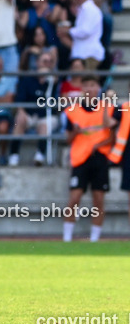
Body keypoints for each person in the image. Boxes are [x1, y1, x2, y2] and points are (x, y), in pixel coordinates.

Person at [62, 76, 115, 243]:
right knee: (75, 198)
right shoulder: (72, 111)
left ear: (98, 88)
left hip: (100, 158)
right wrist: (76, 133)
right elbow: (67, 139)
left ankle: (94, 239)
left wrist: (98, 145)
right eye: (85, 85)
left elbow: (113, 137)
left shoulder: (108, 108)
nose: (89, 89)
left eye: (92, 85)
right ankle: (67, 237)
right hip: (80, 158)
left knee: (98, 199)